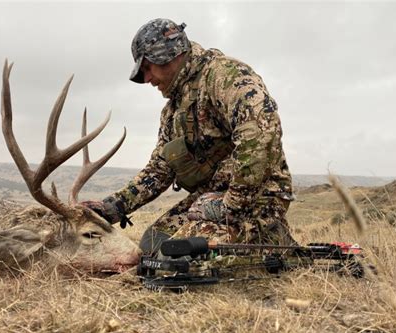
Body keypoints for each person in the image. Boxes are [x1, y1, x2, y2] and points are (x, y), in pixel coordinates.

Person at [82, 18, 297, 254]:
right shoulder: (172, 111)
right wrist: (111, 208)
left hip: (257, 198)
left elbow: (260, 136)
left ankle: (272, 239)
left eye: (147, 68)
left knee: (176, 257)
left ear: (167, 54)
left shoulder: (226, 76)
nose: (147, 80)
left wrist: (231, 206)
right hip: (210, 200)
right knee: (153, 245)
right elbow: (159, 170)